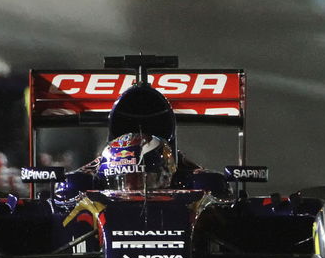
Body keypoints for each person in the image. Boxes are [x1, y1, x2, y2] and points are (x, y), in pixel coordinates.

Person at [54, 82, 229, 202]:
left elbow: (214, 184)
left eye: (147, 180)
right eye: (124, 181)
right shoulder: (103, 163)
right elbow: (70, 185)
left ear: (166, 176)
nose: (134, 192)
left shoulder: (178, 165)